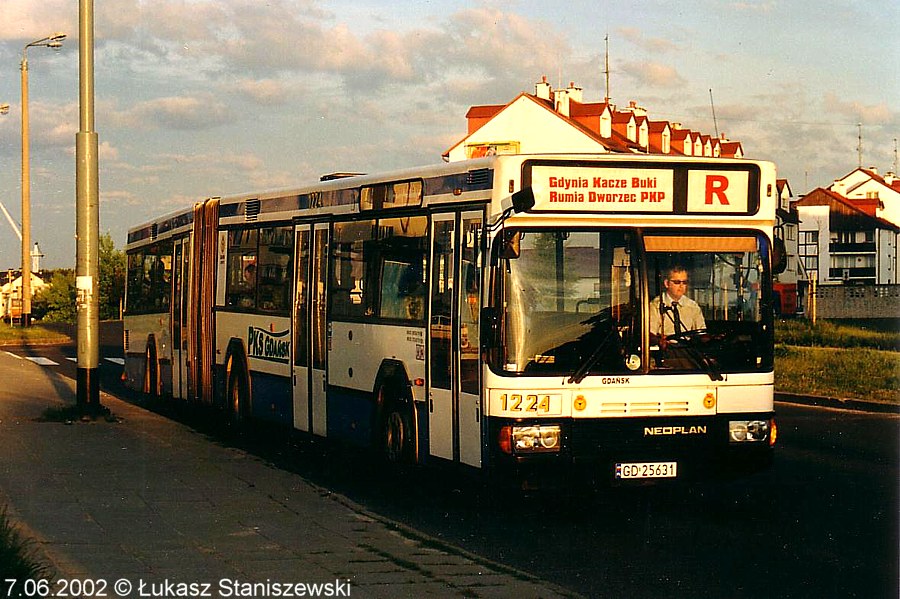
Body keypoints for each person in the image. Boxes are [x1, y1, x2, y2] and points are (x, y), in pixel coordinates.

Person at [649, 265, 705, 339]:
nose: (681, 286)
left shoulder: (693, 306)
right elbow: (650, 334)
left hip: (687, 347)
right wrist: (660, 341)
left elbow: (702, 333)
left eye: (684, 282)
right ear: (666, 283)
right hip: (667, 348)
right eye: (677, 282)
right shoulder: (655, 306)